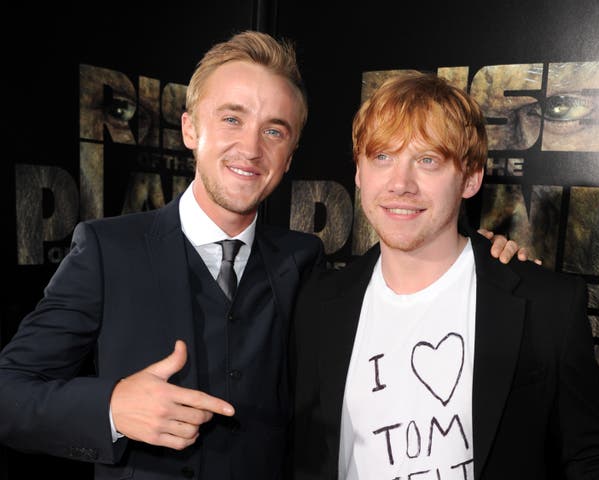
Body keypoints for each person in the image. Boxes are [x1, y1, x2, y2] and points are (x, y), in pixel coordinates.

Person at [0, 32, 524, 480]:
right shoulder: (107, 250)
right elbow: (10, 395)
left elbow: (408, 281)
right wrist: (111, 407)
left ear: (290, 154)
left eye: (274, 130)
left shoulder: (304, 260)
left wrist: (487, 259)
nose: (251, 148)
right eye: (231, 119)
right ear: (190, 130)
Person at [289, 71, 599, 479]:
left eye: (428, 160)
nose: (401, 184)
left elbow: (591, 457)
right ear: (359, 174)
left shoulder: (546, 305)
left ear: (470, 178)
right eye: (382, 157)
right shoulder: (316, 302)